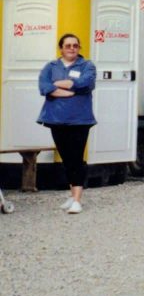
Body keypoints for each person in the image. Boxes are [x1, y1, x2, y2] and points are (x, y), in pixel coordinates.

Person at [37, 33, 96, 215]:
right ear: (61, 48)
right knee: (66, 157)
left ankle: (77, 199)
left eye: (75, 46)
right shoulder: (51, 66)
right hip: (56, 118)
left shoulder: (87, 65)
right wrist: (67, 91)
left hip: (80, 119)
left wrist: (60, 84)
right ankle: (72, 195)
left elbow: (86, 83)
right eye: (68, 45)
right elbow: (43, 86)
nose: (72, 49)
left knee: (76, 158)